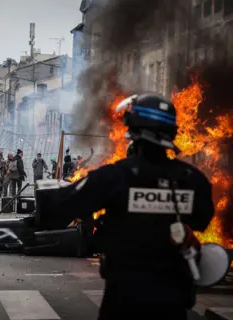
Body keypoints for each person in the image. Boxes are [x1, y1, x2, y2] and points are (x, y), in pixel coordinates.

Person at [36, 92, 214, 319]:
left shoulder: (115, 176)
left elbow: (59, 208)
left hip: (125, 296)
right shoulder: (192, 180)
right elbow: (202, 220)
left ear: (132, 128)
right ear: (172, 132)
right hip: (172, 299)